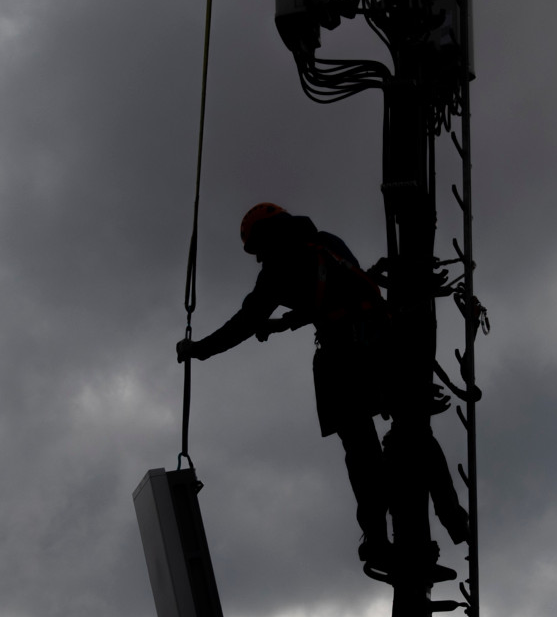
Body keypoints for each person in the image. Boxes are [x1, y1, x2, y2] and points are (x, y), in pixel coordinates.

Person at [177, 203, 469, 567]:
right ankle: (453, 519)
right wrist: (286, 323)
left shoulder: (279, 265)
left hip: (345, 357)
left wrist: (199, 349)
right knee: (412, 432)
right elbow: (342, 294)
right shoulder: (326, 244)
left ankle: (379, 541)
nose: (259, 259)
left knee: (363, 454)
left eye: (259, 249)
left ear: (270, 237)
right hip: (385, 342)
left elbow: (246, 321)